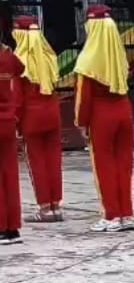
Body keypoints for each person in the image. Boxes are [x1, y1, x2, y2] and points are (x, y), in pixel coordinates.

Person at [74, 4, 134, 233]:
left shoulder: (87, 60)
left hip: (101, 117)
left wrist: (81, 123)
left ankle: (111, 215)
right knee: (124, 164)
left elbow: (83, 98)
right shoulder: (119, 57)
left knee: (104, 165)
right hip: (124, 111)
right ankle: (125, 214)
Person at [12, 16, 63, 223]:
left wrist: (16, 124)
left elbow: (17, 99)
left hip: (32, 118)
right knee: (54, 161)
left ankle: (44, 208)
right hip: (52, 114)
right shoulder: (49, 56)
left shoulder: (19, 61)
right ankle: (56, 205)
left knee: (37, 162)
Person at [0, 43, 25, 245]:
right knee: (10, 175)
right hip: (8, 120)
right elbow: (21, 68)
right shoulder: (7, 54)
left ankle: (1, 227)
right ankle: (13, 227)